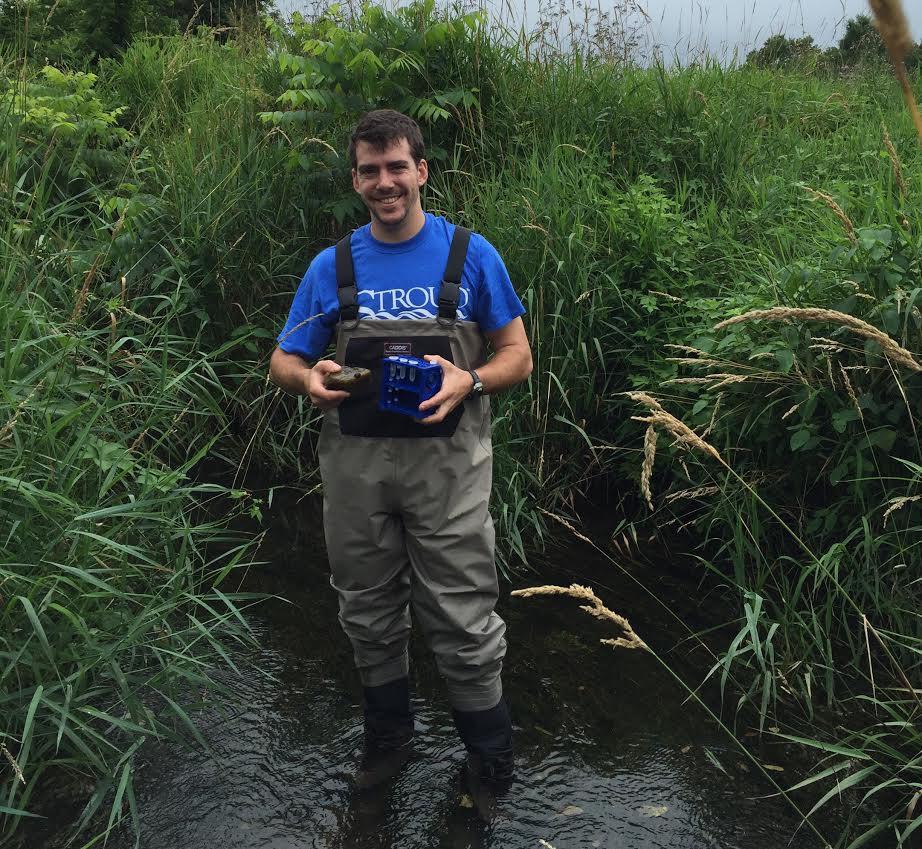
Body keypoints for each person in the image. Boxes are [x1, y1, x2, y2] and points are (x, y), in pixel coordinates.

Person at [268, 109, 532, 814]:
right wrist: (307, 379)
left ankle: (489, 758)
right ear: (355, 179)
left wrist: (469, 379)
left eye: (396, 167)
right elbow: (283, 358)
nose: (384, 182)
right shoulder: (333, 266)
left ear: (421, 170)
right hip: (354, 469)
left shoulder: (472, 256)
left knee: (463, 614)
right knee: (366, 608)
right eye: (369, 170)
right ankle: (388, 739)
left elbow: (518, 356)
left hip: (448, 471)